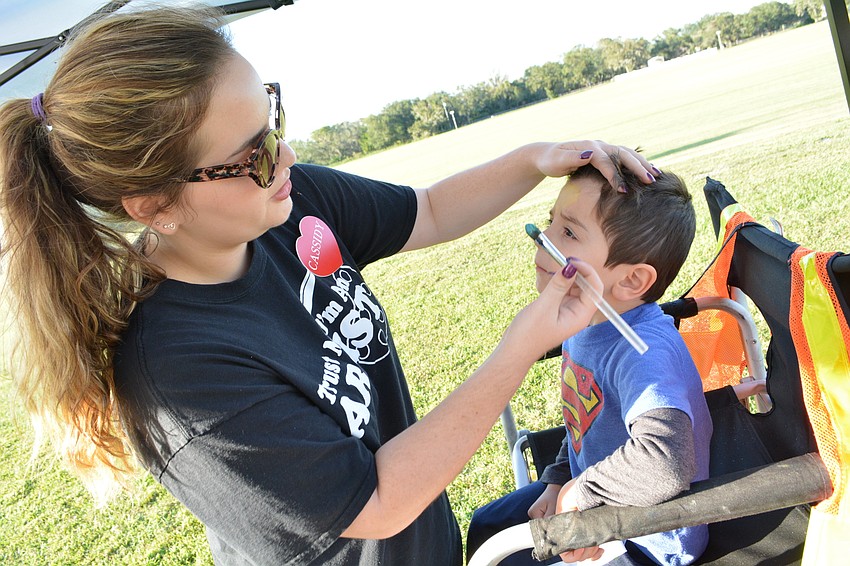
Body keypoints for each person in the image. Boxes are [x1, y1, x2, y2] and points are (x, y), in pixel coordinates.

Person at [0, 4, 658, 565]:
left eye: (274, 121)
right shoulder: (178, 376)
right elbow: (377, 501)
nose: (284, 156)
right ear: (152, 205)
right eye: (253, 153)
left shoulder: (291, 203)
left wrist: (536, 160)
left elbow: (426, 210)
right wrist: (521, 346)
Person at [466, 163, 713, 565]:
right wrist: (558, 479)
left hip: (647, 536)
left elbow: (667, 461)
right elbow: (587, 420)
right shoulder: (584, 318)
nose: (542, 239)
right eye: (551, 222)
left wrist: (579, 493)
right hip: (591, 496)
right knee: (486, 526)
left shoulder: (643, 352)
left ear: (631, 281)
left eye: (568, 232)